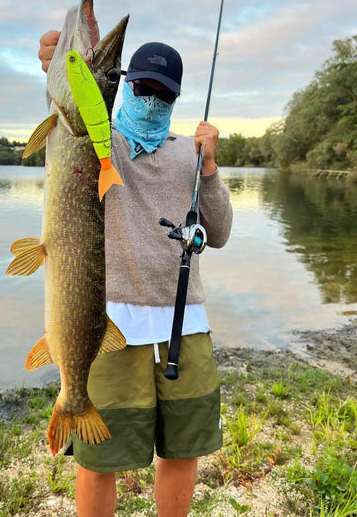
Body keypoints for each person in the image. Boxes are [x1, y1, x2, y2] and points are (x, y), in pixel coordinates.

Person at [38, 30, 233, 517]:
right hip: (109, 324)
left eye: (163, 92)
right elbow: (75, 103)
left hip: (183, 323)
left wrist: (208, 168)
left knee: (183, 447)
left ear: (176, 98)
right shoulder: (99, 144)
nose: (151, 98)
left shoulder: (189, 154)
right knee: (99, 458)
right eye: (142, 86)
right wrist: (57, 66)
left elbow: (221, 231)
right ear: (124, 85)